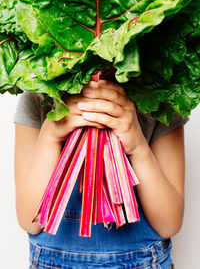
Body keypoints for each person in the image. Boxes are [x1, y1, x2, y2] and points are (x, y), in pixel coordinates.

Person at [14, 79, 189, 269]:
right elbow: (29, 221)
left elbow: (169, 224)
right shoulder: (38, 93)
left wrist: (138, 148)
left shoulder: (159, 96)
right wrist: (50, 136)